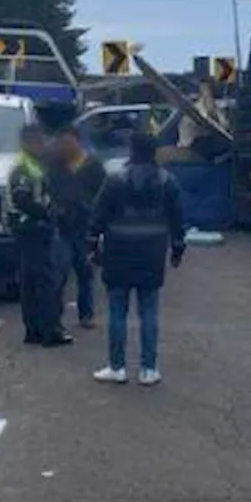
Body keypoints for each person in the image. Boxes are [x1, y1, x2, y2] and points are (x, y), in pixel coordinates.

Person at [89, 131, 185, 386]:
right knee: (149, 311)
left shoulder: (115, 179)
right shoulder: (167, 181)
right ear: (154, 151)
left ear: (131, 150)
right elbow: (177, 218)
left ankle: (117, 367)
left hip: (118, 251)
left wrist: (92, 245)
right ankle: (148, 369)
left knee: (118, 311)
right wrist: (177, 249)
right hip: (152, 253)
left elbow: (98, 215)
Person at [6, 124, 73, 348]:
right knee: (45, 280)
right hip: (33, 229)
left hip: (31, 229)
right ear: (26, 142)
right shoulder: (24, 168)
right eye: (37, 141)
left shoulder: (33, 165)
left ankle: (34, 329)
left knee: (31, 281)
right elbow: (23, 200)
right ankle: (50, 330)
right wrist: (48, 213)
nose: (42, 145)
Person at [48, 125, 107, 329]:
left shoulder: (92, 164)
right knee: (59, 272)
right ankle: (55, 316)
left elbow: (102, 195)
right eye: (61, 142)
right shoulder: (54, 165)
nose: (63, 146)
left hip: (85, 227)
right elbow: (48, 190)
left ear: (77, 141)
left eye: (67, 142)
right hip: (62, 227)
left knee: (85, 272)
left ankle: (86, 314)